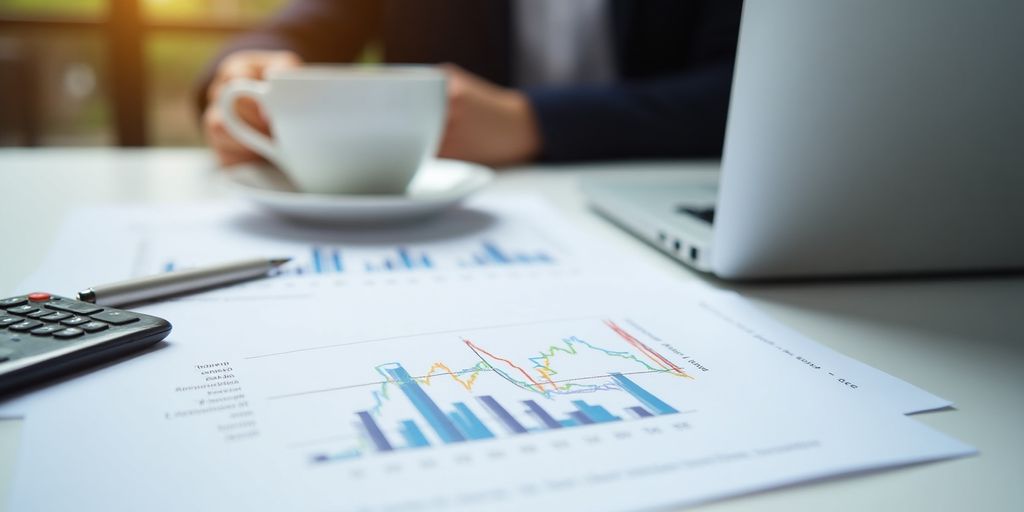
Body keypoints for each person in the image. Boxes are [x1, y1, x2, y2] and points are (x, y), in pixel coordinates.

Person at [197, 0, 742, 168]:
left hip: (651, 190)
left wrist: (532, 122)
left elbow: (741, 94)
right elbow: (290, 31)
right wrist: (244, 73)